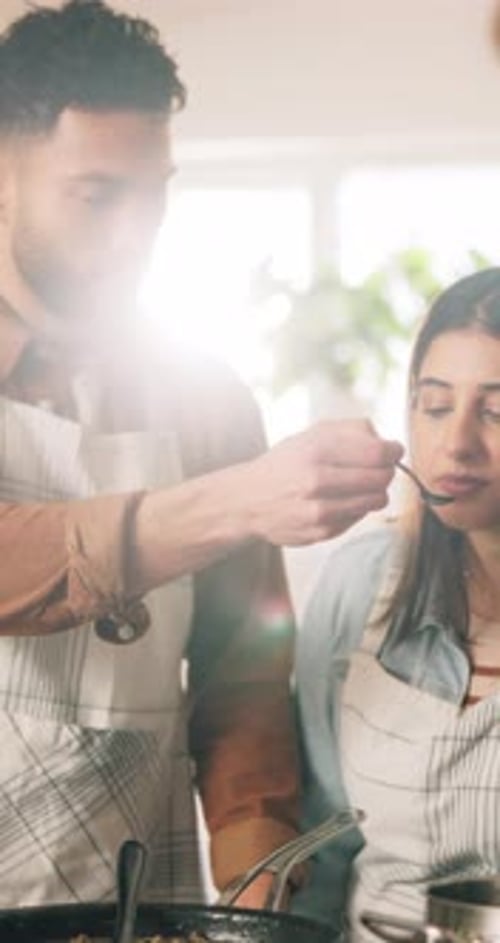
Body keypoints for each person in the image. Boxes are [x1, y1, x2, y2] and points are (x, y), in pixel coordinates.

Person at [0, 0, 402, 910]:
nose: (139, 231)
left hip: (136, 903)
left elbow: (243, 670)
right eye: (99, 194)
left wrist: (258, 864)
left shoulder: (206, 397)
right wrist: (236, 502)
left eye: (156, 192)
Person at [294, 266, 500, 940]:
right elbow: (320, 849)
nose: (456, 442)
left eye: (496, 410)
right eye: (435, 405)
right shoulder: (361, 581)